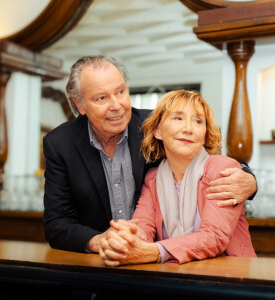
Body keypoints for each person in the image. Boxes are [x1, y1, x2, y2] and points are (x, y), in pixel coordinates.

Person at [43, 56, 257, 254]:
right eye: (101, 98)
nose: (116, 106)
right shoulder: (60, 144)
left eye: (120, 92)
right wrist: (99, 241)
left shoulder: (153, 125)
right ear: (80, 104)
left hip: (176, 262)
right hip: (109, 264)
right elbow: (57, 224)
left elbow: (209, 159)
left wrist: (249, 178)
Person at [99, 90, 257, 266]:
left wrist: (155, 251)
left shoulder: (222, 169)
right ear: (157, 131)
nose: (188, 129)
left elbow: (214, 237)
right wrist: (126, 240)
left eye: (198, 121)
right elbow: (143, 227)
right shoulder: (153, 178)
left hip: (232, 279)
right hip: (178, 279)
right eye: (178, 118)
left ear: (204, 134)